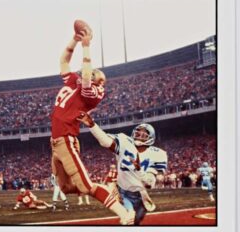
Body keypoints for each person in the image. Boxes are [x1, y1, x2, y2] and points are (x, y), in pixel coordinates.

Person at [50, 21, 132, 225]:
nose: (93, 71)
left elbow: (86, 77)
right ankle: (98, 189)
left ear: (100, 82)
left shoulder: (93, 92)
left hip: (66, 139)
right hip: (55, 143)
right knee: (66, 188)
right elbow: (63, 61)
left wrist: (86, 46)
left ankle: (123, 213)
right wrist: (74, 40)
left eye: (98, 74)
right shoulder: (74, 82)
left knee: (87, 187)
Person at [77, 111, 168, 225]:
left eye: (143, 134)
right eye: (138, 133)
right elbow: (105, 141)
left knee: (135, 221)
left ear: (151, 138)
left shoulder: (158, 154)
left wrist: (139, 169)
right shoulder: (125, 141)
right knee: (127, 220)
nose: (139, 136)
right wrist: (92, 124)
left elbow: (149, 183)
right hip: (121, 190)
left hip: (140, 194)